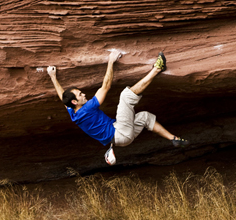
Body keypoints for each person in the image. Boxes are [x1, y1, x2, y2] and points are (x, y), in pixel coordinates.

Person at [47, 50, 189, 165]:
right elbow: (106, 86)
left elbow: (63, 98)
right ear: (75, 102)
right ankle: (158, 68)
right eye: (80, 94)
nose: (84, 94)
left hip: (121, 139)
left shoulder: (74, 114)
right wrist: (110, 61)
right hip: (120, 132)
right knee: (125, 96)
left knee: (144, 117)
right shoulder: (87, 108)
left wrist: (53, 77)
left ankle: (174, 139)